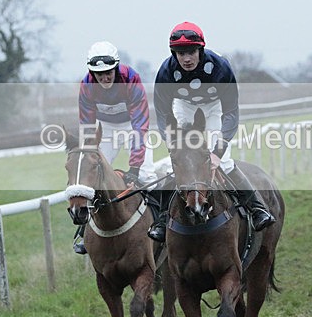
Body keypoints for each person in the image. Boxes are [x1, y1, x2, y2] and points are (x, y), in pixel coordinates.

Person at [147, 21, 275, 242]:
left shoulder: (220, 68)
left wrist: (216, 153)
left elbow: (231, 113)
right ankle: (161, 220)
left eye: (191, 52)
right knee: (173, 166)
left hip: (214, 108)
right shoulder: (166, 72)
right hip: (184, 107)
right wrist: (173, 145)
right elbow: (164, 114)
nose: (186, 59)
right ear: (174, 54)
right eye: (180, 53)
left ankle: (257, 209)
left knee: (224, 162)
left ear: (201, 50)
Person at [73, 41, 157, 254]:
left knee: (147, 176)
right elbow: (87, 125)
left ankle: (160, 224)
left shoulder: (131, 78)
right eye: (99, 74)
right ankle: (85, 230)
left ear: (116, 67)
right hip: (106, 128)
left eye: (108, 72)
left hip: (132, 125)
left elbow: (140, 125)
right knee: (94, 177)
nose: (104, 78)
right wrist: (89, 152)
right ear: (92, 73)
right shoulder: (86, 85)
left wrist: (135, 167)